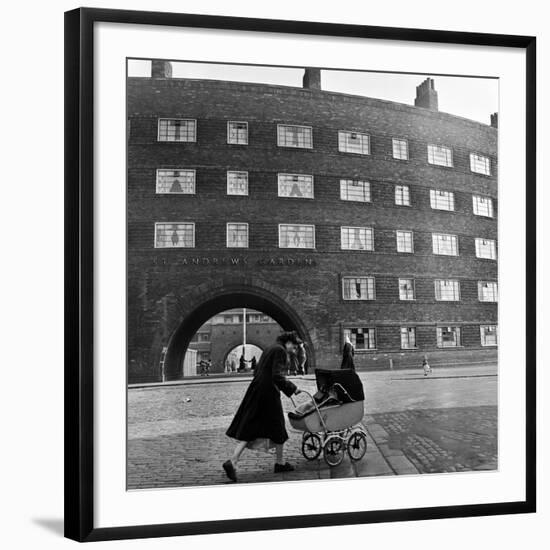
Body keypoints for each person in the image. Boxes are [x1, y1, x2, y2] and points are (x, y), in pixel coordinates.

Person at [223, 331, 303, 482]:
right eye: (295, 346)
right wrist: (293, 388)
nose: (295, 349)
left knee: (251, 427)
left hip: (257, 391)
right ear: (288, 342)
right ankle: (278, 463)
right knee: (278, 426)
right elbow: (277, 376)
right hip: (268, 394)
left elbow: (259, 371)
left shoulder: (270, 348)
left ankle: (233, 461)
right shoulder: (280, 351)